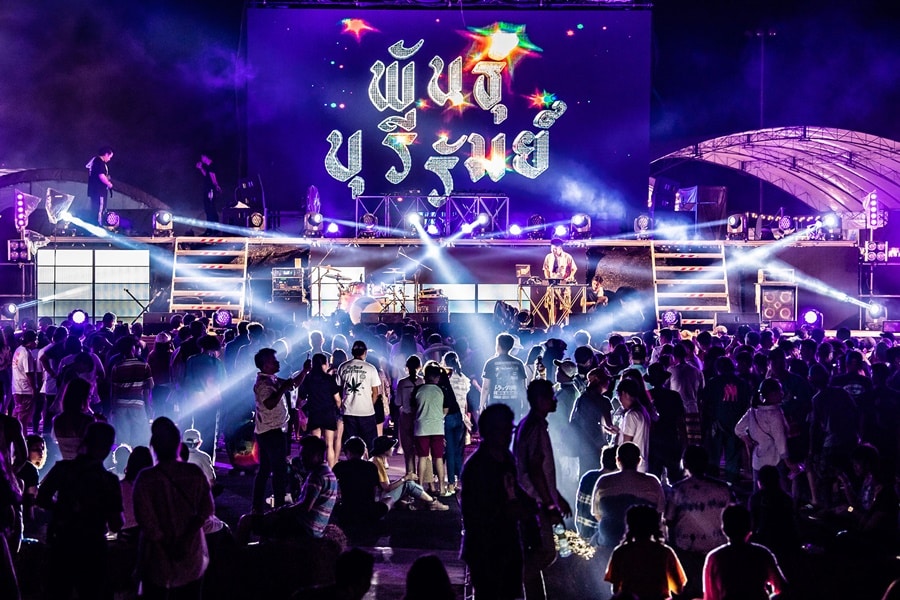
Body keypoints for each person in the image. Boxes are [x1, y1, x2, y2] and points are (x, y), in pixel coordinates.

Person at [37, 421, 124, 600]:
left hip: (63, 544)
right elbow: (116, 523)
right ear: (108, 448)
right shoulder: (109, 481)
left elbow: (41, 498)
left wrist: (62, 508)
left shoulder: (63, 469)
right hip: (93, 549)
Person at [134, 417, 215, 599]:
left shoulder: (146, 478)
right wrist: (185, 539)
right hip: (191, 553)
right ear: (179, 445)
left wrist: (166, 543)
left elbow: (146, 520)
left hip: (157, 557)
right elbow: (207, 509)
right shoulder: (194, 473)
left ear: (153, 446)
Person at [514, 379, 573, 600]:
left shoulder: (530, 424)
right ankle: (508, 582)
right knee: (546, 552)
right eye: (551, 396)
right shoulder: (535, 427)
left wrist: (557, 497)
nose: (555, 400)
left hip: (534, 498)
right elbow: (536, 468)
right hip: (534, 500)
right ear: (540, 400)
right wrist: (550, 504)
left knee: (535, 552)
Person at [461, 403, 528, 600]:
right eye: (504, 430)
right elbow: (474, 514)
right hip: (486, 548)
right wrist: (509, 511)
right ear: (489, 431)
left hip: (508, 544)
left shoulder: (507, 458)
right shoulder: (477, 467)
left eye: (510, 430)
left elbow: (514, 489)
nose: (508, 436)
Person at [236, 435, 338, 543]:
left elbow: (305, 507)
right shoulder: (329, 474)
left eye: (305, 455)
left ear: (318, 455)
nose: (302, 459)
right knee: (266, 528)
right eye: (301, 455)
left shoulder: (317, 476)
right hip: (314, 529)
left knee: (246, 521)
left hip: (304, 528)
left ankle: (238, 553)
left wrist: (280, 511)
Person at [665, 445, 732, 598]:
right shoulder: (723, 489)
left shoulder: (678, 490)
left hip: (687, 552)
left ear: (685, 463)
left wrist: (673, 548)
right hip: (717, 550)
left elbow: (669, 521)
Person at [252, 347, 303, 513]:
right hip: (271, 431)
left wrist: (305, 371)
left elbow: (292, 385)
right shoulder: (264, 384)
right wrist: (282, 389)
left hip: (270, 430)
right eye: (273, 361)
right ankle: (279, 507)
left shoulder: (272, 379)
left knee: (265, 470)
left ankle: (257, 506)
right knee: (278, 470)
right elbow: (269, 403)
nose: (277, 362)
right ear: (265, 365)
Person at [702, 504, 787, 600]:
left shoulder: (714, 558)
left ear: (724, 529)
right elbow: (782, 588)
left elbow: (710, 597)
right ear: (749, 528)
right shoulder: (762, 554)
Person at [591, 442, 665, 549]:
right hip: (642, 543)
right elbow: (659, 515)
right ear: (639, 461)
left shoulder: (603, 481)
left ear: (617, 460)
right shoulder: (652, 482)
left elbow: (597, 514)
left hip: (610, 543)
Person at [604, 505, 686, 600]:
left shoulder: (620, 552)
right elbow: (678, 589)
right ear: (655, 526)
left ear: (629, 526)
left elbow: (615, 590)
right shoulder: (665, 552)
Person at [370, 435, 446, 511]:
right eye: (391, 447)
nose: (393, 449)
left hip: (378, 496)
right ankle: (432, 502)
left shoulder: (376, 460)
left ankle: (408, 503)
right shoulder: (378, 463)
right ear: (385, 450)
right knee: (408, 483)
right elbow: (387, 488)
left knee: (405, 483)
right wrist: (405, 478)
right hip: (380, 499)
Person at [332, 436, 388, 528]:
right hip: (368, 510)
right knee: (389, 500)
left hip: (346, 511)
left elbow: (332, 486)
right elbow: (374, 490)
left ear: (348, 452)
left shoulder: (340, 466)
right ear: (363, 451)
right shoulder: (371, 467)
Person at [298, 352, 342, 467]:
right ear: (324, 364)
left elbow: (300, 398)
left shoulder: (308, 378)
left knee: (315, 446)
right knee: (329, 445)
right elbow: (337, 399)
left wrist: (301, 412)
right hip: (328, 413)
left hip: (314, 413)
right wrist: (338, 409)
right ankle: (331, 471)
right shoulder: (329, 379)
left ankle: (315, 469)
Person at [336, 340, 381, 449]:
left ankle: (352, 459)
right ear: (365, 352)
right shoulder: (371, 368)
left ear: (352, 352)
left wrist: (341, 405)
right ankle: (369, 460)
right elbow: (376, 392)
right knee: (370, 444)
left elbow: (338, 388)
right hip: (367, 412)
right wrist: (370, 404)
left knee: (350, 444)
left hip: (348, 411)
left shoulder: (343, 367)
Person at [481, 333, 527, 419]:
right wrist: (525, 404)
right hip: (514, 406)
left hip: (495, 406)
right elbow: (522, 387)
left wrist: (481, 405)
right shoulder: (519, 363)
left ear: (498, 346)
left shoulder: (490, 363)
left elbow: (486, 388)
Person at [11, 330, 37, 434]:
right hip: (25, 389)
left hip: (16, 387)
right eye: (35, 340)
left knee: (17, 414)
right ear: (31, 341)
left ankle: (12, 435)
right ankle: (23, 437)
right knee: (24, 418)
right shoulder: (27, 354)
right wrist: (34, 388)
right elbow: (29, 373)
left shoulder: (18, 350)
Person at [86, 145, 114, 226]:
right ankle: (98, 225)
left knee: (95, 208)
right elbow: (101, 175)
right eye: (109, 157)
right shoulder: (99, 162)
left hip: (95, 190)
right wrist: (109, 184)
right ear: (106, 154)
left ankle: (94, 224)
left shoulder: (95, 161)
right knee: (99, 208)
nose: (109, 159)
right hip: (99, 191)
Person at [196, 153, 222, 231]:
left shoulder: (212, 166)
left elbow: (213, 178)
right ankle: (210, 229)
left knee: (211, 209)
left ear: (206, 157)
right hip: (208, 189)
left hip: (210, 190)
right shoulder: (208, 167)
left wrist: (216, 186)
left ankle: (213, 229)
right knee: (208, 209)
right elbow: (207, 175)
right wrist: (201, 168)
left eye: (202, 157)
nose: (201, 159)